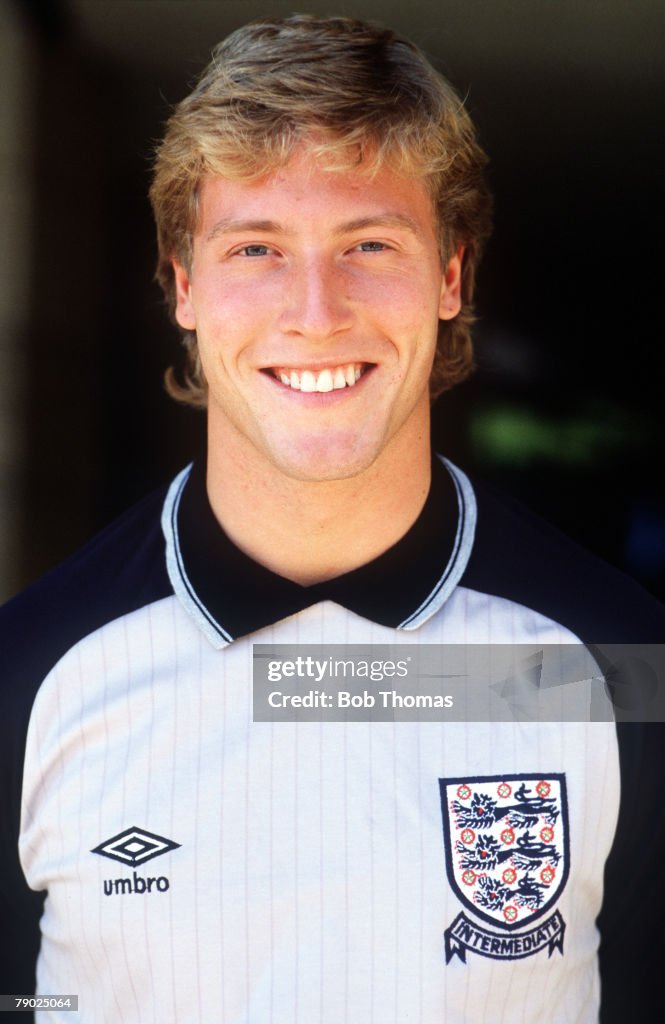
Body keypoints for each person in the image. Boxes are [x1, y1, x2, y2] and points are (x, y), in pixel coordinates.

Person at [1, 14, 663, 1023]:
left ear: (451, 276)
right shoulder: (25, 677)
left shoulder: (617, 664)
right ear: (184, 287)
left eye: (367, 242)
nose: (315, 310)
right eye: (256, 247)